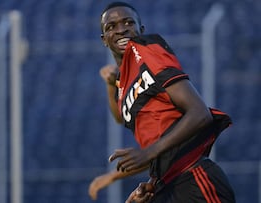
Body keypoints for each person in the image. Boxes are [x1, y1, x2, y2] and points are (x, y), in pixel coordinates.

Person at [89, 2, 235, 202]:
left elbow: (200, 113)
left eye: (128, 22)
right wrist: (111, 84)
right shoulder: (123, 84)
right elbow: (122, 117)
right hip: (165, 185)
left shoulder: (147, 50)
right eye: (111, 26)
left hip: (193, 177)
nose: (121, 29)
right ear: (104, 39)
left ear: (141, 29)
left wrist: (147, 153)